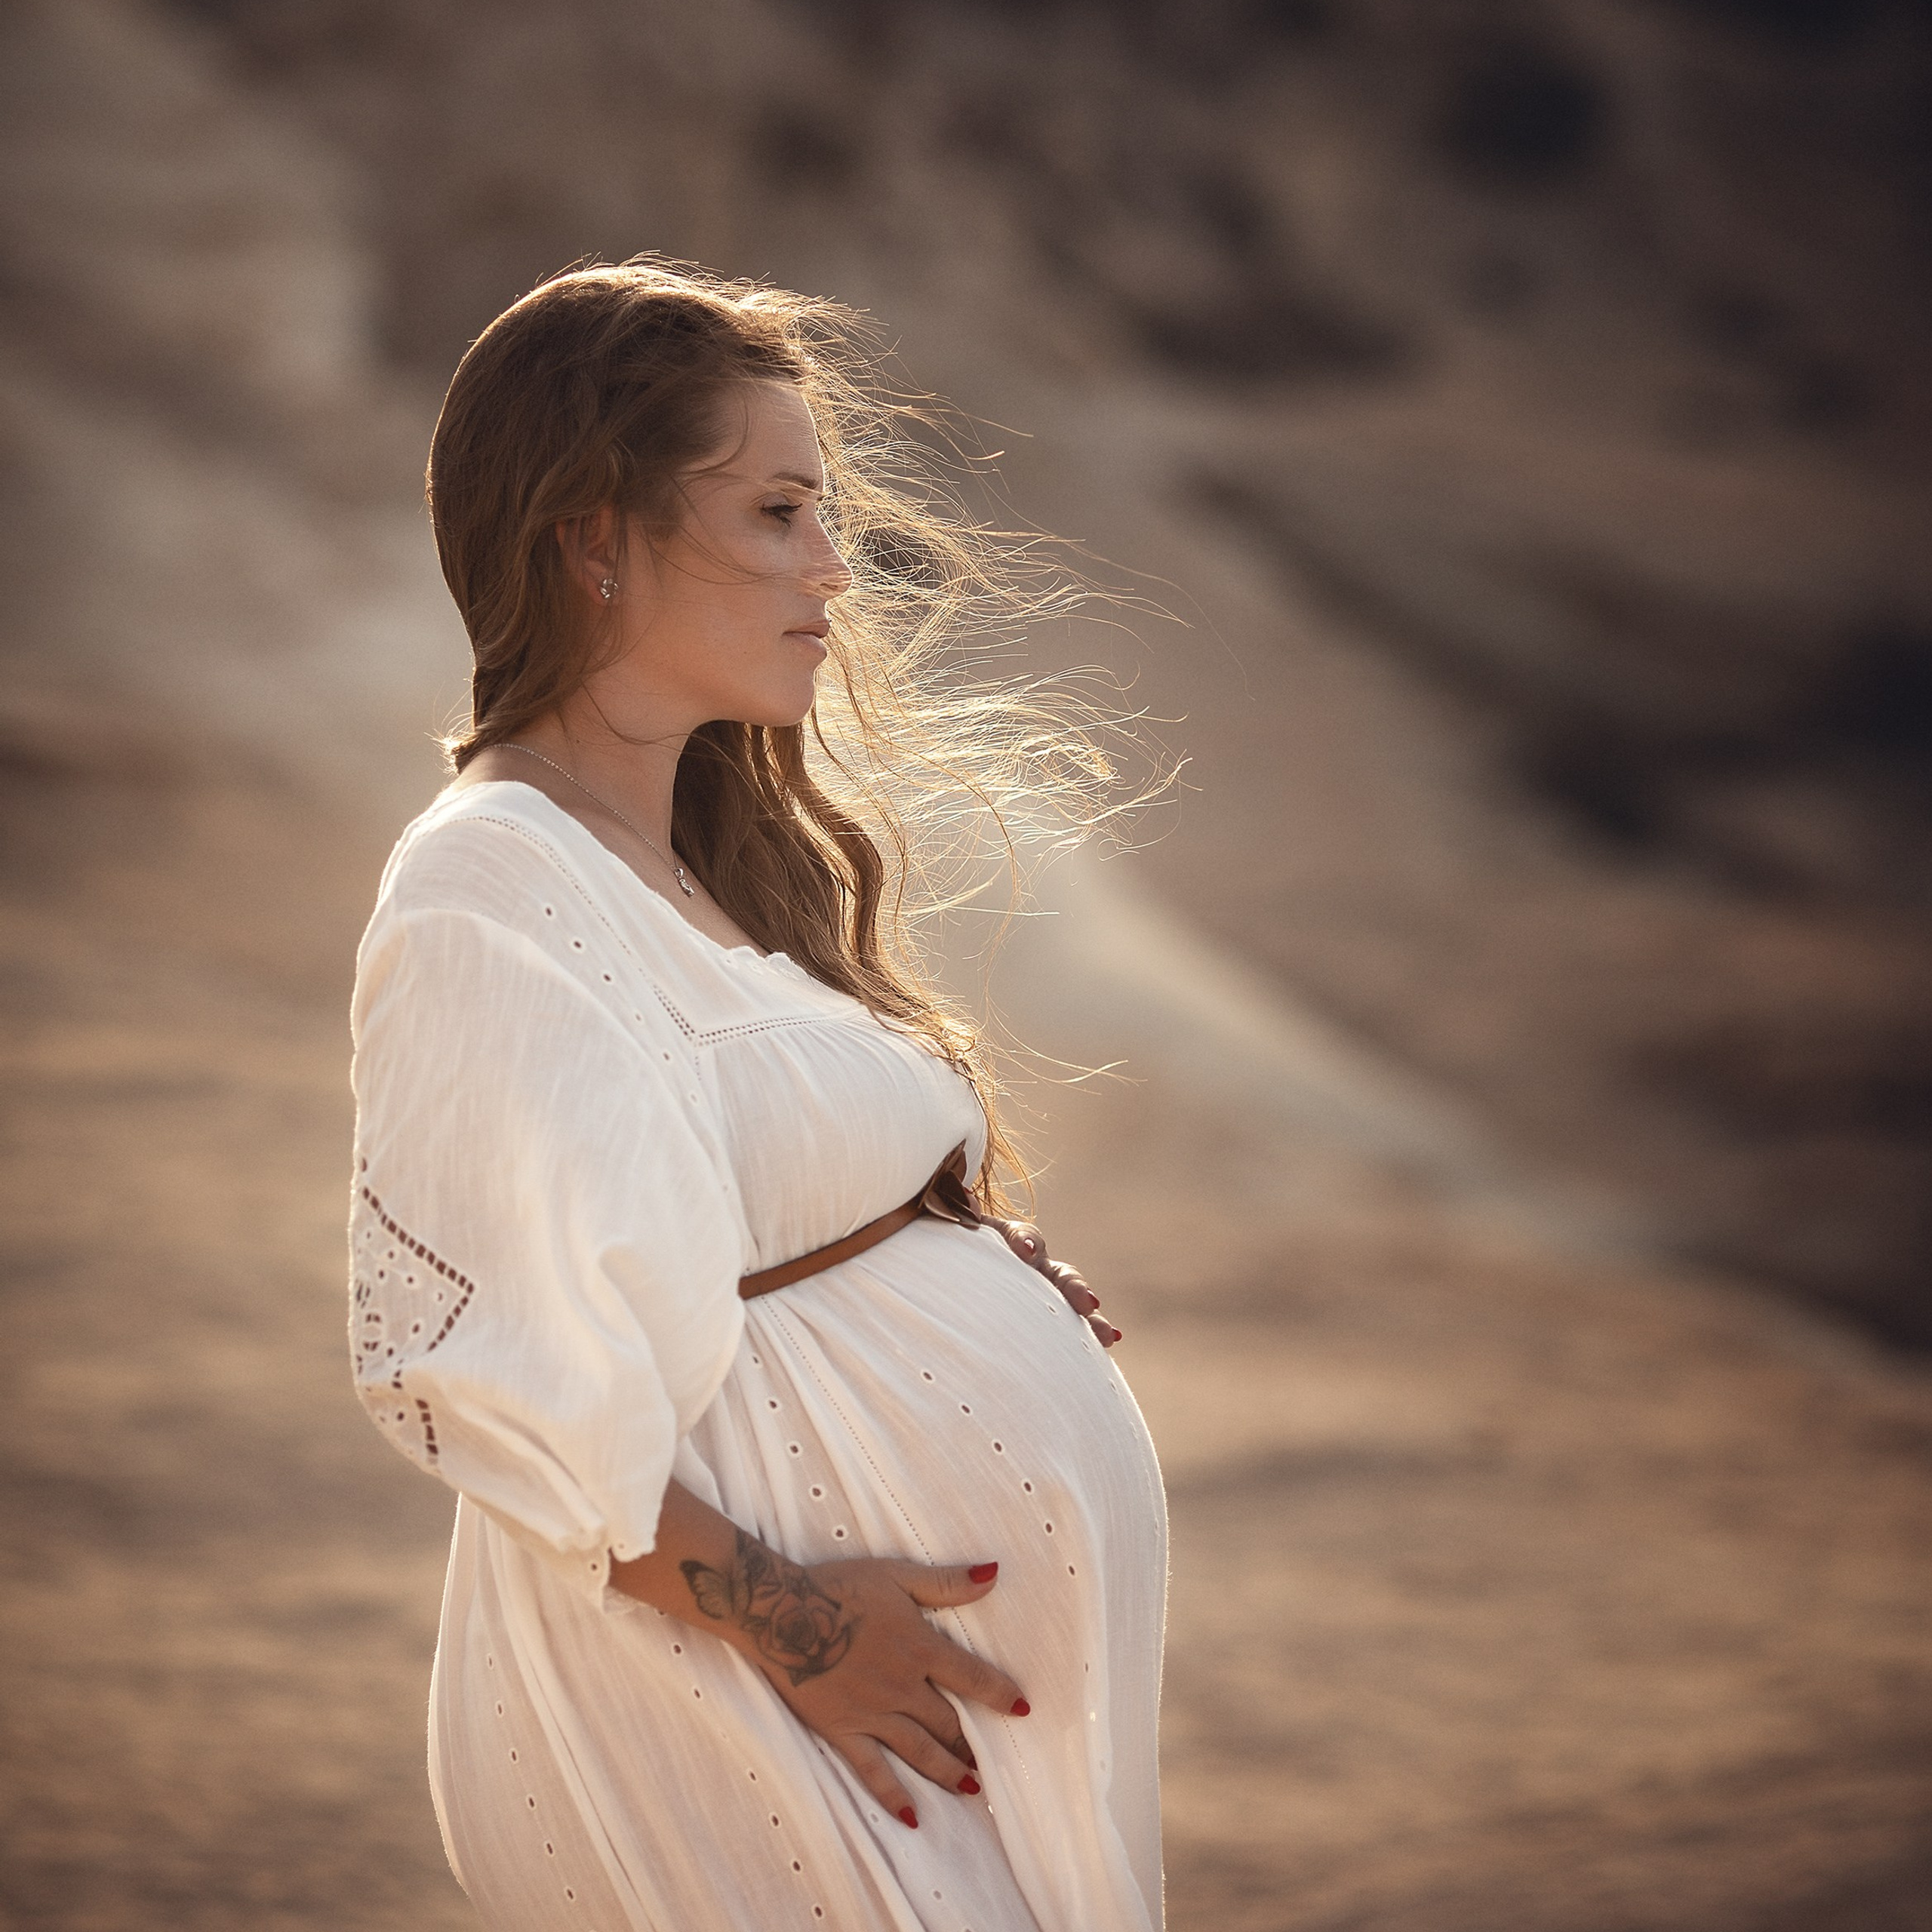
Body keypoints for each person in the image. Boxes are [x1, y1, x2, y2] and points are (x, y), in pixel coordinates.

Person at [346, 259, 1168, 1931]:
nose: (830, 568)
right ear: (592, 536)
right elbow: (458, 1364)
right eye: (779, 512)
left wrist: (940, 1255)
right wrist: (796, 1617)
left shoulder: (684, 857)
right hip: (729, 1696)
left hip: (849, 1717)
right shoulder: (486, 885)